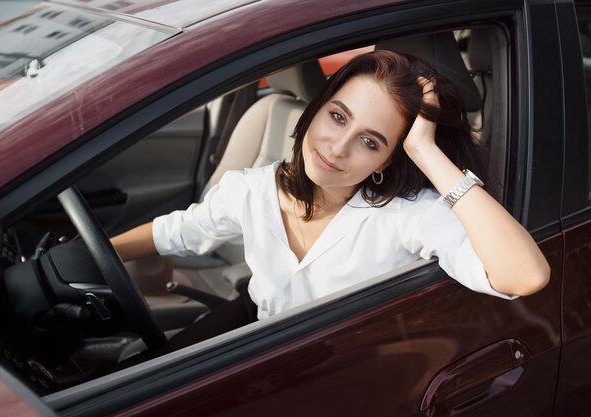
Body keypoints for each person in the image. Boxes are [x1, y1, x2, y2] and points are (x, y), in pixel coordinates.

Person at [111, 51, 550, 350]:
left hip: (340, 368)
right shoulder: (254, 188)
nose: (337, 148)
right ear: (316, 108)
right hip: (260, 333)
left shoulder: (407, 216)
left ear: (387, 160)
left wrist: (425, 151)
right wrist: (87, 255)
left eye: (370, 141)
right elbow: (177, 232)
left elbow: (524, 275)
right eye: (338, 116)